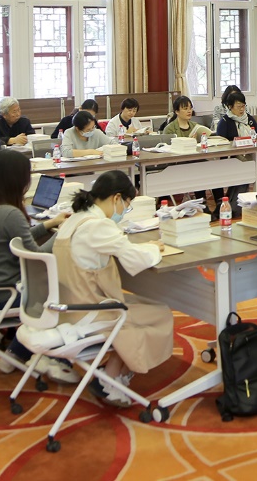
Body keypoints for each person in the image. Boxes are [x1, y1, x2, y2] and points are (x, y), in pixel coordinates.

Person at [53, 170, 174, 407]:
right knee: (159, 313)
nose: (124, 211)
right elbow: (135, 258)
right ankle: (110, 378)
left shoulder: (75, 219)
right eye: (127, 205)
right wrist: (154, 247)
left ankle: (110, 372)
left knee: (140, 306)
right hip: (89, 311)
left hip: (66, 306)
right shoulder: (98, 226)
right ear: (116, 198)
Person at [0, 151, 71, 384]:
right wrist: (62, 234)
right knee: (65, 294)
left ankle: (16, 354)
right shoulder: (10, 213)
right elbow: (38, 258)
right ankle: (52, 360)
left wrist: (49, 224)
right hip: (3, 295)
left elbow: (19, 240)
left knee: (52, 288)